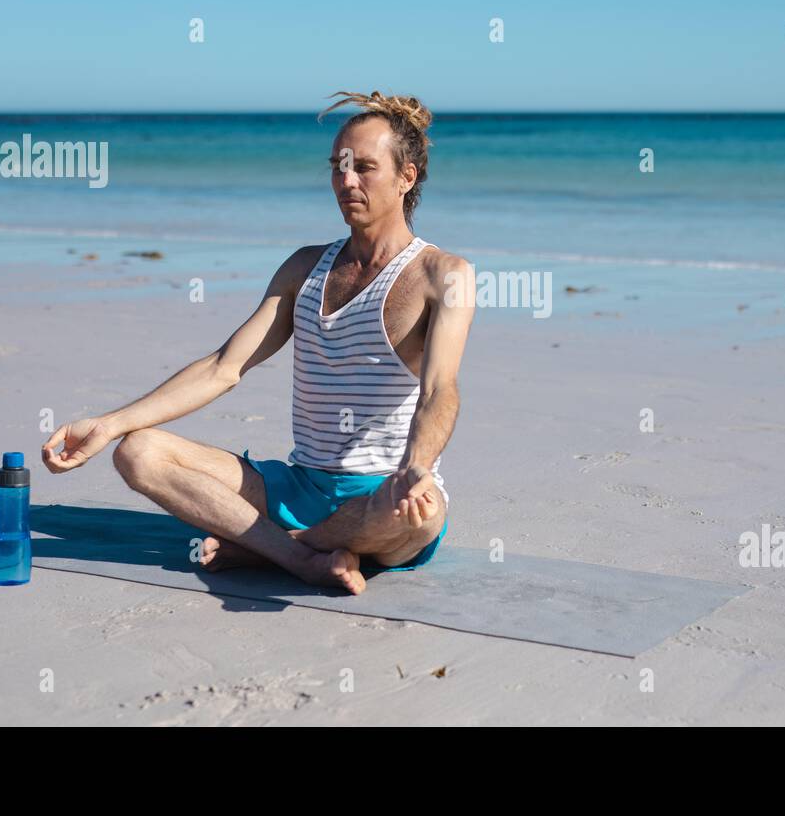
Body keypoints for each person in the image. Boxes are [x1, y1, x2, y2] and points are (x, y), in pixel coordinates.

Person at [41, 91, 475, 595]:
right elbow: (225, 367)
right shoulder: (304, 268)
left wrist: (415, 468)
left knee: (419, 518)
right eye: (338, 166)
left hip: (385, 490)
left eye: (365, 168)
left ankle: (264, 546)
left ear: (407, 176)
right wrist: (109, 423)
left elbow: (439, 389)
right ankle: (300, 556)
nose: (346, 181)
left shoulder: (442, 275)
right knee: (137, 452)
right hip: (295, 486)